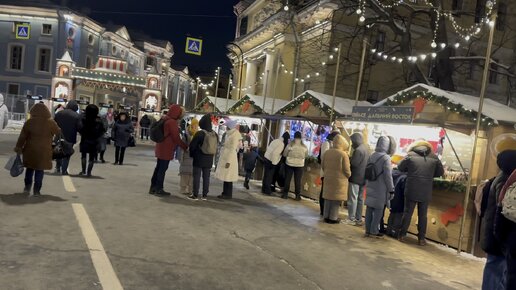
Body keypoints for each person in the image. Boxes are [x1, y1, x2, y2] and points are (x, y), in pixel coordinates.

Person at [398, 140, 444, 245]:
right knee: (423, 215)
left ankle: (402, 235)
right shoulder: (434, 157)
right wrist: (430, 175)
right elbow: (440, 172)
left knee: (407, 213)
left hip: (411, 188)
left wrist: (409, 170)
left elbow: (400, 167)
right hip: (426, 190)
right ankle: (421, 239)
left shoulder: (410, 155)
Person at [481, 150, 516, 290]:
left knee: (496, 269)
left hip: (495, 232)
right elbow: (503, 208)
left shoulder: (503, 177)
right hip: (498, 234)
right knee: (497, 270)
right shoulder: (506, 181)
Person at [14, 103, 60, 195]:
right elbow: (58, 132)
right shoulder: (50, 122)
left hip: (30, 150)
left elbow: (22, 137)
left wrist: (18, 147)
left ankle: (27, 188)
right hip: (44, 151)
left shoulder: (29, 122)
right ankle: (37, 191)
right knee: (40, 170)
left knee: (29, 169)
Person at [150, 105, 188, 196]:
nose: (181, 115)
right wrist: (185, 147)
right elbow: (176, 138)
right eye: (181, 113)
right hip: (166, 149)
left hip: (160, 147)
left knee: (158, 168)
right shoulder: (172, 122)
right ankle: (159, 189)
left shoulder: (165, 118)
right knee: (162, 169)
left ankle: (153, 188)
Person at [364, 136, 396, 238]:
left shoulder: (371, 155)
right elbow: (388, 176)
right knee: (378, 210)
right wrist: (391, 189)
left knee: (369, 209)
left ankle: (367, 230)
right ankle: (374, 231)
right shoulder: (386, 158)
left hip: (370, 184)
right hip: (380, 188)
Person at [321, 135, 351, 224]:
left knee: (328, 199)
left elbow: (323, 166)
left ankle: (326, 216)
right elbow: (346, 170)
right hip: (339, 181)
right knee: (335, 201)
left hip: (328, 179)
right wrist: (349, 175)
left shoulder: (327, 153)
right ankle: (333, 218)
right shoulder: (343, 155)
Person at [189, 113, 216, 200]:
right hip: (209, 159)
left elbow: (192, 146)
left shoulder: (200, 133)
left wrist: (192, 154)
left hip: (199, 158)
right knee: (206, 177)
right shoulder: (214, 134)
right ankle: (205, 195)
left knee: (196, 176)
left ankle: (195, 195)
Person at [345, 132, 370, 225]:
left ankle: (351, 218)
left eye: (352, 141)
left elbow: (354, 164)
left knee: (353, 198)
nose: (352, 143)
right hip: (364, 178)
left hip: (355, 177)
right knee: (360, 199)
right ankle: (358, 218)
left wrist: (349, 158)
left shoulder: (358, 150)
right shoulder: (367, 149)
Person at [215, 119, 241, 199]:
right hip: (227, 157)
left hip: (230, 158)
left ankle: (227, 194)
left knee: (228, 177)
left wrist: (228, 161)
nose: (225, 128)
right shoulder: (230, 134)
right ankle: (225, 193)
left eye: (227, 126)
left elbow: (233, 149)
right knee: (226, 176)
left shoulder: (235, 135)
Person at [54, 100, 82, 175]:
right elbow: (79, 127)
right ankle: (64, 170)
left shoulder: (59, 114)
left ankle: (57, 167)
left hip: (59, 136)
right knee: (67, 154)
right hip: (70, 137)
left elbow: (54, 123)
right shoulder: (77, 116)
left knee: (59, 152)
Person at [318, 129, 340, 216]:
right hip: (325, 171)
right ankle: (322, 210)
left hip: (330, 172)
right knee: (324, 191)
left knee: (326, 191)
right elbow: (324, 157)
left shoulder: (332, 144)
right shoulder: (326, 143)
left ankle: (325, 211)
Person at [78, 105, 105, 177]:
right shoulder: (99, 121)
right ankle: (89, 172)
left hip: (84, 139)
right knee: (92, 157)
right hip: (94, 141)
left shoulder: (84, 119)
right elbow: (102, 130)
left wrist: (83, 134)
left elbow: (79, 128)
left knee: (83, 156)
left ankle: (83, 171)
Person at [281, 131, 308, 200]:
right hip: (300, 165)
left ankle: (285, 194)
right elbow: (306, 155)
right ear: (300, 137)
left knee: (287, 179)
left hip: (289, 163)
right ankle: (297, 195)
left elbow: (284, 154)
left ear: (294, 136)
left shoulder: (290, 145)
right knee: (298, 180)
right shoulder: (304, 147)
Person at [178, 118, 199, 195]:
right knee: (185, 174)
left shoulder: (198, 134)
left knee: (192, 175)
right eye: (194, 125)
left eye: (197, 126)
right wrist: (181, 157)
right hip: (186, 156)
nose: (196, 127)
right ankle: (183, 189)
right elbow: (182, 146)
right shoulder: (186, 135)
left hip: (194, 158)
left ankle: (190, 189)